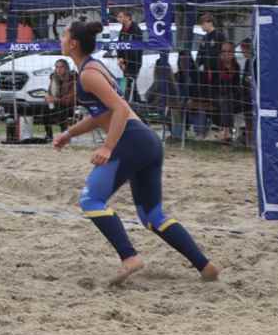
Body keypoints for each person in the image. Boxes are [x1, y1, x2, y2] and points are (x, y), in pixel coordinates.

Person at [53, 21, 218, 286]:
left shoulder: (88, 74)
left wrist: (108, 147)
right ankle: (206, 267)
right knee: (152, 216)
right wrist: (69, 134)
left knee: (90, 199)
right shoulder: (93, 67)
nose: (61, 39)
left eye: (64, 34)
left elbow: (119, 109)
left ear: (73, 43)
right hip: (147, 142)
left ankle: (129, 257)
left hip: (130, 140)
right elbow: (103, 114)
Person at [41, 59, 76, 140]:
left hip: (70, 105)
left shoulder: (72, 78)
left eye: (61, 67)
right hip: (56, 103)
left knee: (61, 109)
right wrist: (47, 97)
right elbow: (49, 92)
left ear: (66, 68)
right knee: (44, 108)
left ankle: (64, 135)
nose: (58, 69)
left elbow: (70, 98)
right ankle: (49, 135)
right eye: (57, 67)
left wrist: (56, 100)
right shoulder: (53, 78)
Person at [114, 9, 144, 103]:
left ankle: (128, 102)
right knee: (130, 84)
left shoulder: (136, 30)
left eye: (121, 16)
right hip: (125, 62)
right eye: (118, 17)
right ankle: (136, 101)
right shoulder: (122, 30)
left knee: (129, 83)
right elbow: (119, 45)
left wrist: (127, 62)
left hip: (134, 62)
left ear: (128, 17)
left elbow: (136, 48)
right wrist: (120, 59)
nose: (118, 19)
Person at [215, 41, 240, 145]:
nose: (226, 53)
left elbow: (236, 85)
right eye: (223, 51)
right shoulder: (217, 65)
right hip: (217, 94)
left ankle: (225, 132)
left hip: (232, 95)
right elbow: (214, 84)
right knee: (225, 99)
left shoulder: (236, 66)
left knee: (228, 99)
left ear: (233, 53)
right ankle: (227, 131)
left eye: (229, 51)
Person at [239, 38, 255, 146]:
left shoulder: (254, 61)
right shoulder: (248, 61)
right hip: (246, 95)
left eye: (243, 50)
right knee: (248, 118)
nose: (242, 52)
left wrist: (249, 79)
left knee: (251, 119)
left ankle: (251, 141)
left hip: (252, 96)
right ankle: (249, 142)